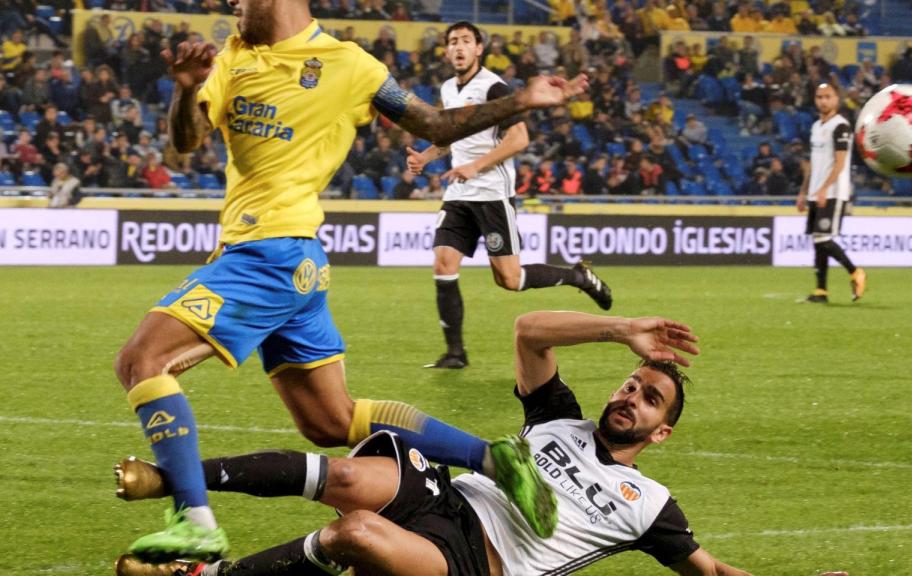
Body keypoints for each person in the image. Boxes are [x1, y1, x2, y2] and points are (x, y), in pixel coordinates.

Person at [114, 0, 591, 563]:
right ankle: (493, 458)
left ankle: (194, 521)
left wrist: (523, 100)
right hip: (294, 264)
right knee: (331, 421)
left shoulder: (350, 66)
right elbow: (187, 142)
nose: (232, 6)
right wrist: (185, 88)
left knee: (142, 362)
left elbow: (434, 124)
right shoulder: (232, 56)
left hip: (270, 252)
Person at [114, 310, 848, 576]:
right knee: (345, 476)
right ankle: (176, 483)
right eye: (629, 384)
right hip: (445, 492)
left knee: (355, 535)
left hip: (475, 562)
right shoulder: (556, 416)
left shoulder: (650, 505)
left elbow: (713, 573)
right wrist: (621, 328)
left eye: (649, 398)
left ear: (662, 433)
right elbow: (528, 329)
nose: (630, 395)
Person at [405, 22, 613, 370]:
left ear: (479, 49)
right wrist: (426, 157)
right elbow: (452, 135)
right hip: (459, 193)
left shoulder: (494, 87)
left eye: (466, 41)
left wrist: (475, 166)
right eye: (452, 41)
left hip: (491, 194)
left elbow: (519, 139)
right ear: (446, 51)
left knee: (510, 280)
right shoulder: (447, 88)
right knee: (443, 264)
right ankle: (455, 353)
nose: (458, 47)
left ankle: (578, 276)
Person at [797, 83, 866, 304]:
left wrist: (824, 189)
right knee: (818, 240)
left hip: (834, 192)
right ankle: (820, 291)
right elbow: (812, 163)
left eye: (828, 96)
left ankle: (855, 272)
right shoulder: (817, 126)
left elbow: (840, 162)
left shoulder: (841, 126)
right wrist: (803, 191)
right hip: (816, 192)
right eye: (819, 97)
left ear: (836, 99)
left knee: (824, 237)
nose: (823, 101)